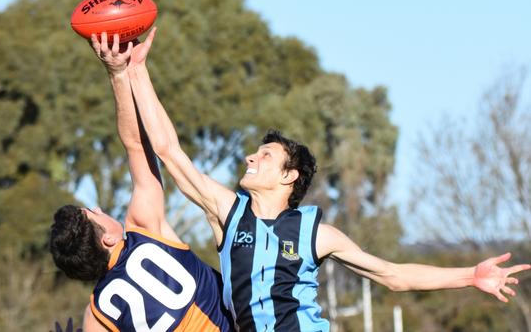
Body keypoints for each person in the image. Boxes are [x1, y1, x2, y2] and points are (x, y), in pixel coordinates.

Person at [125, 27, 531, 332]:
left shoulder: (316, 234)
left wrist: (469, 276)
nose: (252, 157)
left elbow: (393, 275)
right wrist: (136, 70)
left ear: (289, 176)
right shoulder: (228, 213)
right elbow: (167, 150)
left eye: (266, 155)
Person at [49, 32, 232, 332]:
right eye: (93, 213)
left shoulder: (96, 315)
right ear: (107, 237)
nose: (98, 208)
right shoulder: (144, 229)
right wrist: (118, 73)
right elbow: (135, 144)